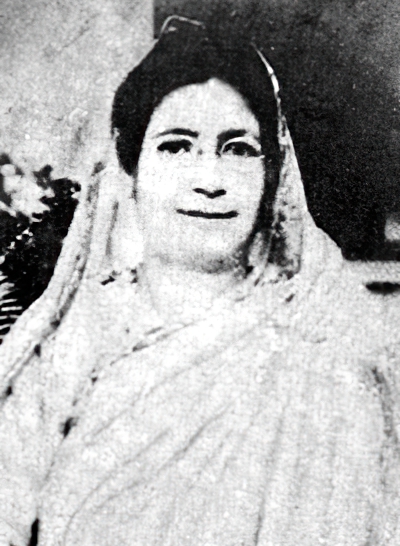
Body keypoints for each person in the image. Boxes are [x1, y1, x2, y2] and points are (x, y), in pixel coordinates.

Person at [0, 16, 399, 546]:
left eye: (238, 149)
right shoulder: (64, 345)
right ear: (130, 167)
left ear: (272, 173)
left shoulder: (328, 357)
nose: (209, 180)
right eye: (175, 146)